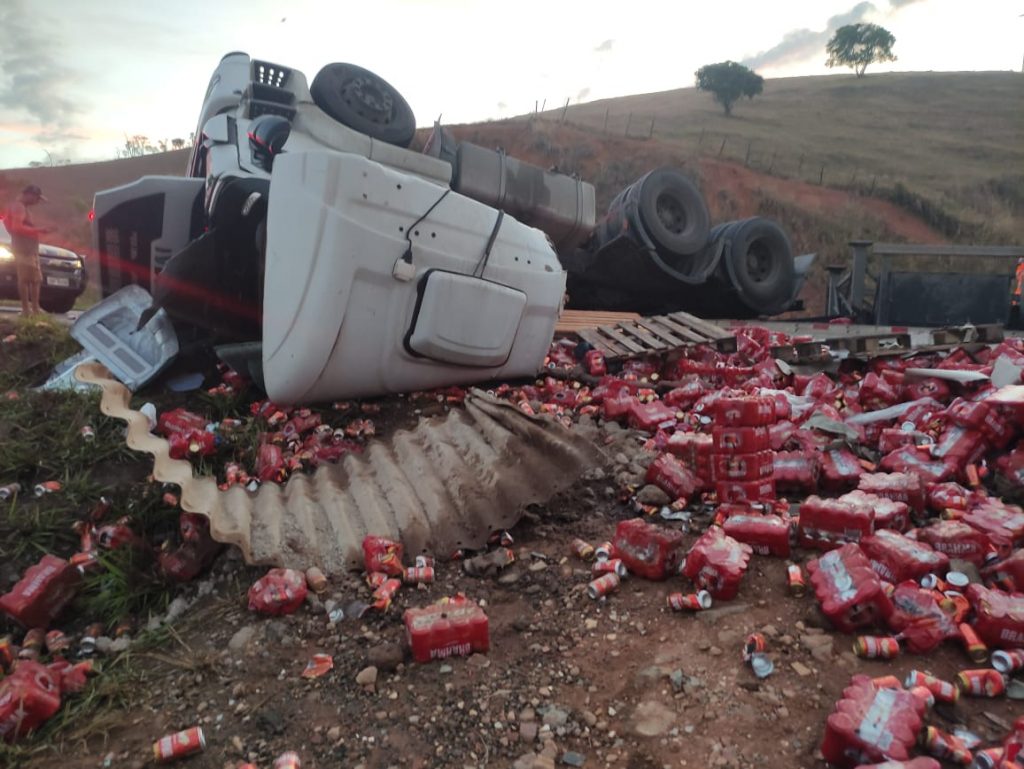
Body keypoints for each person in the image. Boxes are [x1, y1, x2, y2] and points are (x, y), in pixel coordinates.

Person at [5, 184, 51, 316]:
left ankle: (34, 308)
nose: (37, 202)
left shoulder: (22, 208)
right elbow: (17, 227)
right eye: (37, 198)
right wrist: (39, 230)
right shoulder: (18, 207)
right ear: (29, 195)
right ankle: (28, 310)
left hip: (29, 247)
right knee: (27, 279)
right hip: (23, 248)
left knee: (35, 279)